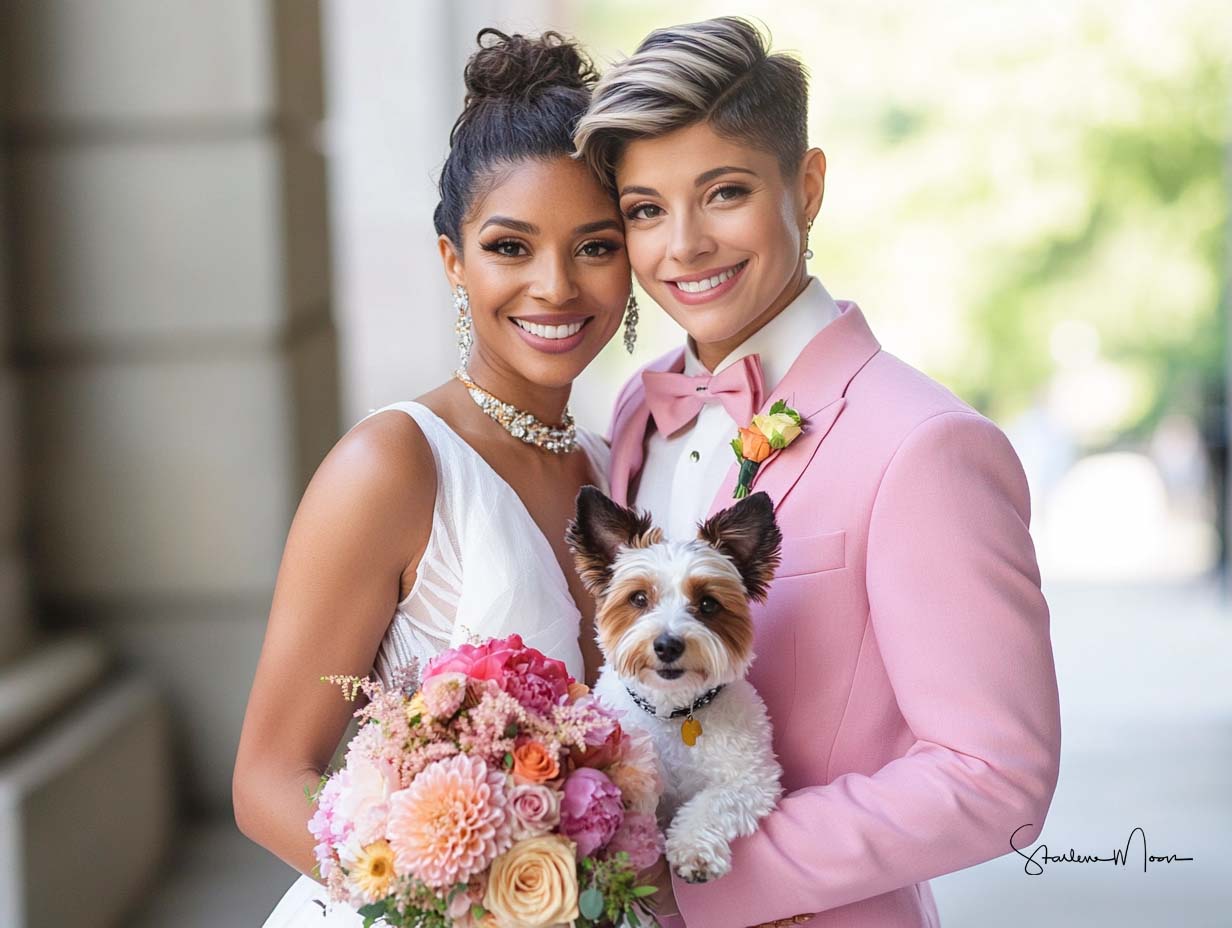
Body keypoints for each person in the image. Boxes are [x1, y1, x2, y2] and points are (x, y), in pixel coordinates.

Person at [574, 16, 1062, 928]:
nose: (682, 244)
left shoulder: (925, 444)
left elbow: (998, 777)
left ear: (808, 184)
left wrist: (693, 884)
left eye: (723, 193)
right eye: (645, 209)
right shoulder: (640, 408)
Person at [235, 29, 634, 925]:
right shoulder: (393, 465)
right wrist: (452, 905)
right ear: (454, 260)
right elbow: (265, 779)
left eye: (595, 245)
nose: (555, 286)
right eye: (510, 246)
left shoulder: (619, 472)